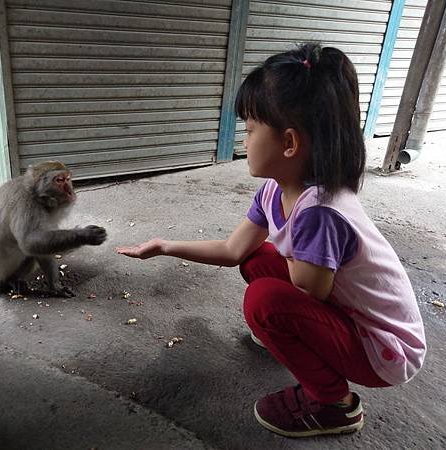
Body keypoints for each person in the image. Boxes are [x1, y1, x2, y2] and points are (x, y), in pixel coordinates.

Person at [116, 43, 426, 438]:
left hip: (385, 349)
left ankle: (335, 406)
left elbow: (310, 288)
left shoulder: (319, 211)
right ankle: (299, 343)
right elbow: (233, 251)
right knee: (257, 260)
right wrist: (165, 246)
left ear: (290, 143)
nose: (244, 141)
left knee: (264, 301)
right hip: (350, 314)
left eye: (250, 130)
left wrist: (292, 253)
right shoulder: (275, 191)